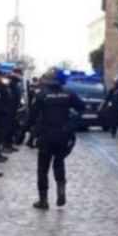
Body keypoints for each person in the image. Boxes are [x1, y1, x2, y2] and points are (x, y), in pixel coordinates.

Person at [28, 68, 86, 209]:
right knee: (59, 162)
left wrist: (23, 134)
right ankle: (61, 189)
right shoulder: (68, 93)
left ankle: (43, 200)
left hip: (46, 134)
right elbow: (82, 107)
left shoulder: (42, 94)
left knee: (43, 167)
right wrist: (71, 125)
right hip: (63, 134)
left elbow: (31, 116)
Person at [3, 69, 25, 151]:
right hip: (9, 108)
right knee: (7, 128)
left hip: (13, 108)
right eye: (20, 74)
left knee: (11, 127)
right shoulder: (10, 82)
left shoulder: (15, 82)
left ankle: (9, 145)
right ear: (16, 73)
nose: (21, 76)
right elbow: (8, 95)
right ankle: (5, 145)